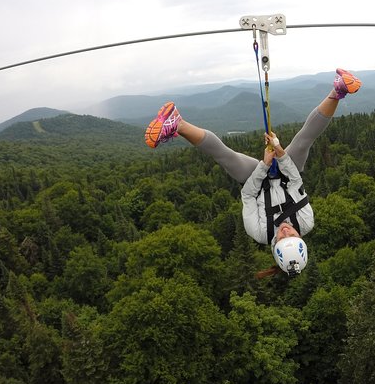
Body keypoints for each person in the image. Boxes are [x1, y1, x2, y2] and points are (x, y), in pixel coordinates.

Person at [145, 68, 362, 276]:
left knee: (225, 156)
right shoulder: (306, 222)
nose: (286, 230)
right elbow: (295, 181)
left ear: (274, 244)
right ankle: (339, 91)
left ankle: (178, 123)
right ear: (300, 236)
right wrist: (279, 151)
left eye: (281, 237)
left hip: (256, 182)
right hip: (288, 173)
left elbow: (248, 195)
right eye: (292, 235)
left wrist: (264, 166)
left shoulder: (259, 232)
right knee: (304, 140)